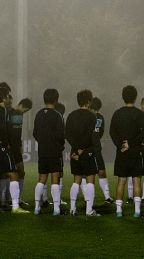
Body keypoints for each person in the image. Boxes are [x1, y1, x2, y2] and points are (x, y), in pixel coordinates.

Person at [0, 86, 29, 214]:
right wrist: (6, 143)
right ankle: (15, 206)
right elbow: (3, 129)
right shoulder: (3, 111)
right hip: (1, 147)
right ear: (4, 98)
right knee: (13, 174)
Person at [109, 85, 144, 218]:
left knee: (121, 181)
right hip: (136, 151)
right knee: (136, 180)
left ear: (123, 97)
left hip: (122, 152)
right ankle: (137, 211)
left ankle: (118, 210)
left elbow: (112, 132)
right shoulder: (139, 113)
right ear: (136, 97)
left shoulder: (117, 113)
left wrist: (121, 144)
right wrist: (130, 143)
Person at [65, 89, 100, 217]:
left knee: (76, 180)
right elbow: (90, 135)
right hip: (87, 151)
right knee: (90, 180)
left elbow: (67, 134)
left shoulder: (71, 115)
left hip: (74, 152)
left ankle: (72, 209)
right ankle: (89, 210)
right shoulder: (92, 116)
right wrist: (82, 149)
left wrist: (76, 148)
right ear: (89, 101)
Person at [33, 88, 65, 216]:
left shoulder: (39, 114)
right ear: (56, 100)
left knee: (41, 179)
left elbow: (35, 133)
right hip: (54, 151)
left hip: (42, 151)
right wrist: (60, 146)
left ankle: (37, 207)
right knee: (55, 180)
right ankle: (56, 209)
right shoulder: (57, 115)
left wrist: (42, 142)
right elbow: (61, 135)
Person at [88, 97, 114, 203]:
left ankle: (107, 197)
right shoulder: (85, 117)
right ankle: (87, 198)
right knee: (87, 175)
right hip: (87, 149)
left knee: (102, 172)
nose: (96, 111)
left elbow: (101, 132)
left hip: (97, 149)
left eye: (97, 109)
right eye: (94, 109)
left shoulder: (100, 118)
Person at [8, 97, 33, 208]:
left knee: (21, 172)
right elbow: (7, 131)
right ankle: (6, 200)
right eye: (25, 110)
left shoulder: (19, 115)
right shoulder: (9, 113)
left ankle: (18, 198)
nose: (25, 112)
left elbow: (17, 132)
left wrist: (20, 145)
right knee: (7, 174)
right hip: (8, 148)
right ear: (21, 105)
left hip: (16, 148)